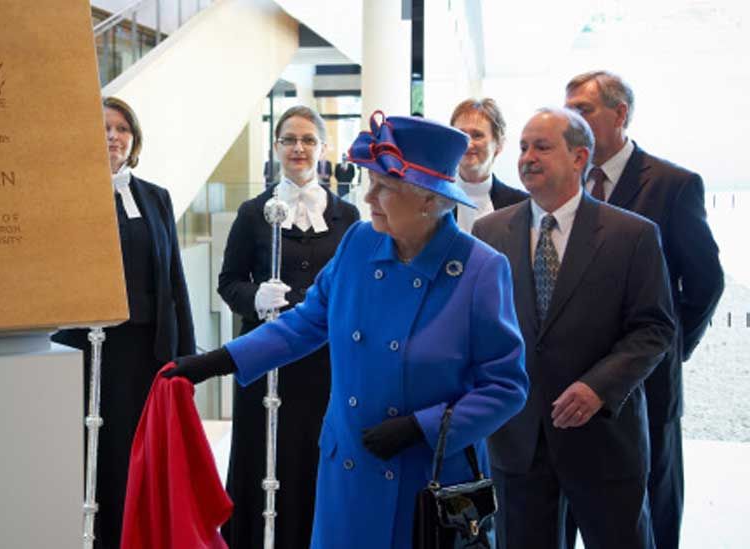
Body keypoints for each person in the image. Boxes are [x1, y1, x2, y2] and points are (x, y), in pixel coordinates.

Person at [166, 112, 528, 549]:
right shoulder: (359, 242)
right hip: (349, 468)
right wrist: (221, 360)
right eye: (369, 181)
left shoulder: (481, 270)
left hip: (423, 479)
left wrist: (422, 428)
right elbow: (306, 321)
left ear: (430, 201)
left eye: (384, 187)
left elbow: (505, 387)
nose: (369, 195)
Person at [472, 108, 676, 549]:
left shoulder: (632, 235)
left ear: (580, 156)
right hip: (518, 441)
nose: (527, 157)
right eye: (524, 147)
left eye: (542, 147)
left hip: (603, 437)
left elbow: (654, 327)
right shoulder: (489, 233)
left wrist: (599, 387)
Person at [564, 70, 724, 549]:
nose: (572, 118)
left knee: (650, 511)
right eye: (567, 108)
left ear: (620, 114)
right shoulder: (565, 183)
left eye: (583, 109)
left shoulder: (672, 185)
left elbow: (704, 283)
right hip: (571, 382)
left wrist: (672, 348)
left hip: (646, 386)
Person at [51, 96, 195, 549]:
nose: (113, 136)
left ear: (133, 140)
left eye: (122, 129)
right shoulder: (67, 192)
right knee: (89, 452)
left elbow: (173, 276)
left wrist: (186, 355)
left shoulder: (155, 197)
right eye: (104, 127)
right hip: (85, 347)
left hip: (141, 353)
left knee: (135, 456)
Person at [217, 105, 360, 549]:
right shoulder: (251, 212)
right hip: (266, 361)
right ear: (277, 147)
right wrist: (255, 299)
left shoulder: (349, 217)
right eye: (289, 140)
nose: (298, 148)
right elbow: (229, 283)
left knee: (315, 457)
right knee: (262, 459)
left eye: (308, 140)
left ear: (322, 147)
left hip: (325, 365)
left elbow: (356, 288)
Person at [449, 97, 528, 233]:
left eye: (477, 135)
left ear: (499, 144)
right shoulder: (433, 201)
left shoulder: (521, 204)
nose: (468, 144)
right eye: (461, 134)